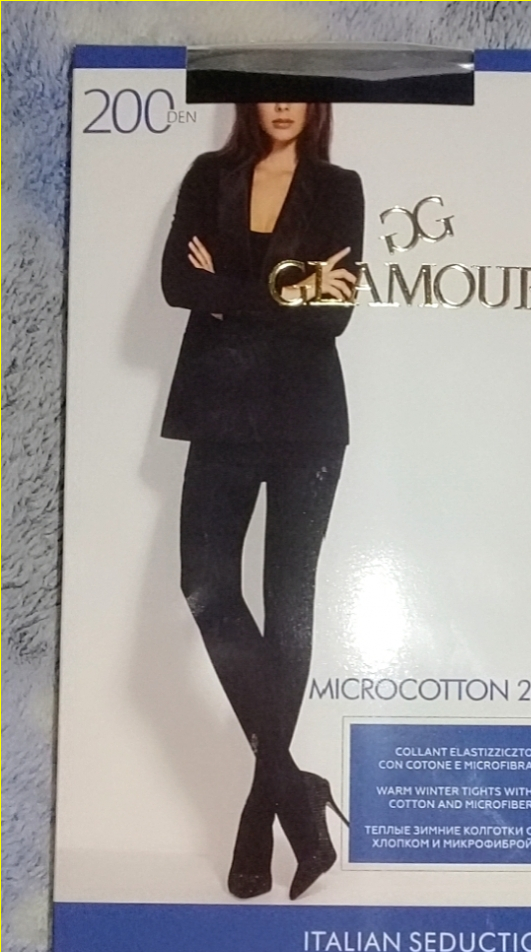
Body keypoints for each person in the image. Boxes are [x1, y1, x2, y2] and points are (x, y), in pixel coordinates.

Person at [161, 102, 364, 900]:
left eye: (296, 92)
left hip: (308, 419)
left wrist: (229, 291)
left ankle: (261, 809)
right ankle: (292, 788)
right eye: (267, 90)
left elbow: (335, 311)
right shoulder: (209, 176)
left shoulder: (338, 188)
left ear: (316, 105)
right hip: (220, 409)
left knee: (289, 606)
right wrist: (286, 289)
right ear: (247, 100)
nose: (282, 103)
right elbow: (178, 283)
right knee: (205, 584)